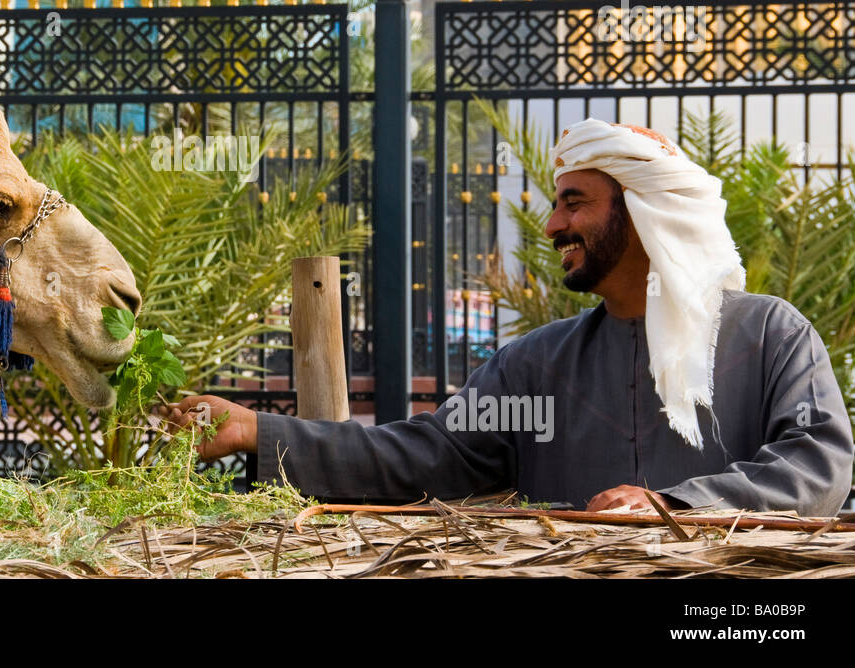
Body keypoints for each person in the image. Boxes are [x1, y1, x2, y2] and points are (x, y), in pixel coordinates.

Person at [167, 119, 855, 516]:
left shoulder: (769, 335)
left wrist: (675, 508)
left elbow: (818, 462)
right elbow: (429, 455)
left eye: (574, 202)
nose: (553, 224)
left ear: (646, 214)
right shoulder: (538, 367)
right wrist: (260, 432)